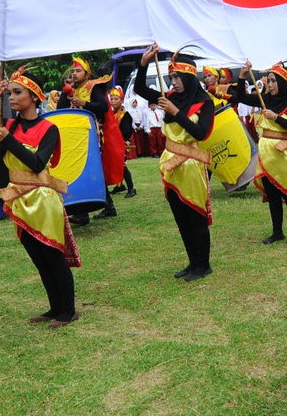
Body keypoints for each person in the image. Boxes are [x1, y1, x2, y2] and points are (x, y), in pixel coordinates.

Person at [0, 67, 81, 328]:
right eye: (9, 93)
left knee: (52, 255)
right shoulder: (8, 124)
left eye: (17, 93)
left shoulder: (48, 128)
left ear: (33, 96)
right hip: (19, 198)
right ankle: (55, 308)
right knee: (37, 256)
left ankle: (69, 310)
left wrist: (8, 141)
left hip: (42, 199)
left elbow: (38, 164)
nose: (11, 97)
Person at [133, 45, 215, 281]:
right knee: (181, 217)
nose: (173, 82)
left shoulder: (204, 102)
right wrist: (143, 63)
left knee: (195, 216)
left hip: (191, 165)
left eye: (177, 77)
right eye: (171, 77)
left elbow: (200, 133)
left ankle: (203, 265)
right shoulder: (167, 98)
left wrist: (177, 112)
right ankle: (192, 263)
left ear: (189, 77)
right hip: (171, 165)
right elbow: (139, 88)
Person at [233, 62, 287, 247]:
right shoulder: (264, 98)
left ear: (282, 82)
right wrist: (242, 76)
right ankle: (277, 232)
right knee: (273, 195)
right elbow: (240, 96)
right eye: (270, 81)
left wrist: (276, 117)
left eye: (274, 81)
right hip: (266, 155)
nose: (270, 85)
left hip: (285, 155)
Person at [57, 56, 113, 223]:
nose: (74, 73)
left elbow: (103, 107)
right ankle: (102, 208)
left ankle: (87, 212)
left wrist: (84, 103)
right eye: (73, 71)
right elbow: (61, 109)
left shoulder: (92, 87)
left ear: (87, 75)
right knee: (82, 168)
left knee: (90, 168)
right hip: (75, 135)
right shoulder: (72, 89)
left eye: (78, 71)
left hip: (92, 133)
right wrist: (66, 91)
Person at [107, 87, 137, 198]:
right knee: (114, 166)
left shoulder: (125, 115)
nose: (113, 101)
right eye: (112, 98)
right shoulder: (111, 114)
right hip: (112, 143)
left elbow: (126, 132)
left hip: (121, 144)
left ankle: (131, 189)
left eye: (116, 99)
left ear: (122, 100)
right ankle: (119, 186)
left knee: (122, 166)